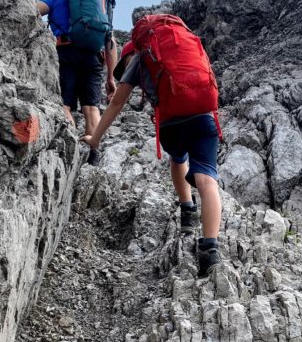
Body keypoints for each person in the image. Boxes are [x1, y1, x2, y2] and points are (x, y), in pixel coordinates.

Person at [84, 28, 223, 277]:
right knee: (206, 178)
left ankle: (187, 209)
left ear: (130, 54)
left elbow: (117, 102)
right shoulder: (183, 48)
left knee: (178, 158)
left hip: (171, 125)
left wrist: (95, 138)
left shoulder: (140, 58)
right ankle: (210, 249)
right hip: (204, 117)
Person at [37, 0, 117, 166]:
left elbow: (32, 10)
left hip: (65, 52)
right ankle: (93, 153)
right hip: (93, 56)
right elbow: (111, 42)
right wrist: (111, 78)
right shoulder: (100, 6)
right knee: (91, 107)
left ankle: (69, 146)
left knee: (65, 104)